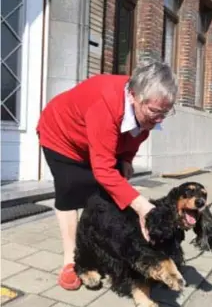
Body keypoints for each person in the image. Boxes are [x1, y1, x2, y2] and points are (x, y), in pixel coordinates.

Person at [37, 60, 177, 289]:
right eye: (154, 112)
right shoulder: (105, 102)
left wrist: (126, 159)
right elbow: (103, 169)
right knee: (70, 189)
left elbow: (136, 134)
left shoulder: (147, 116)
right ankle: (71, 260)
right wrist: (142, 206)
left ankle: (97, 249)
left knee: (103, 197)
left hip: (96, 140)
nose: (159, 120)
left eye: (165, 113)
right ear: (133, 96)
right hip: (61, 136)